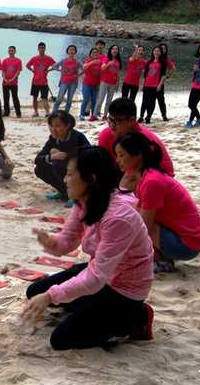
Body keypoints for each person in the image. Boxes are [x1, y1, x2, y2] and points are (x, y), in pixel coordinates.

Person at [21, 146, 155, 350]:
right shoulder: (83, 202)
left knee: (61, 339)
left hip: (124, 288)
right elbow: (67, 241)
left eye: (70, 174)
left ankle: (138, 318)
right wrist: (51, 241)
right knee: (35, 291)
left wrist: (51, 296)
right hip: (102, 275)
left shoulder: (119, 218)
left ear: (91, 179)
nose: (65, 180)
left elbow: (95, 278)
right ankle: (89, 308)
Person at [114, 132, 200, 272]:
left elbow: (143, 226)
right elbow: (122, 194)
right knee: (130, 210)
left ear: (137, 155)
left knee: (134, 219)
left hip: (186, 245)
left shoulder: (151, 181)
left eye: (121, 155)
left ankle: (159, 260)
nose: (117, 160)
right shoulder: (144, 174)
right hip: (183, 236)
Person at [98, 98, 174, 191]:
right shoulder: (106, 135)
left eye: (117, 121)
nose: (112, 125)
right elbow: (102, 168)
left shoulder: (144, 140)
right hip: (126, 173)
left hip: (155, 180)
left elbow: (164, 173)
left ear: (132, 120)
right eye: (110, 120)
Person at [34, 111, 90, 207]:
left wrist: (66, 155)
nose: (53, 129)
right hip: (65, 171)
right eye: (51, 126)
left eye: (57, 126)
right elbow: (38, 159)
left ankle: (75, 196)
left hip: (81, 172)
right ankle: (63, 191)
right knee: (39, 169)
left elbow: (89, 154)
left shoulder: (77, 137)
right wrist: (50, 157)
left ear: (67, 125)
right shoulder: (53, 139)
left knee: (57, 163)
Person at [26, 42, 56, 118]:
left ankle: (47, 112)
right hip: (35, 81)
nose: (41, 49)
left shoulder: (48, 58)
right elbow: (27, 65)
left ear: (45, 49)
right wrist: (32, 71)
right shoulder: (34, 58)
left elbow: (56, 66)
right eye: (40, 48)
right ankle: (35, 112)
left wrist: (49, 70)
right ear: (38, 49)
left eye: (43, 48)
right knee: (34, 97)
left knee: (44, 98)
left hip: (44, 82)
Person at [50, 45, 83, 113]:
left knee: (69, 100)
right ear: (67, 51)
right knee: (59, 99)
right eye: (70, 49)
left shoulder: (77, 61)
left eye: (73, 50)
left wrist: (78, 75)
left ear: (75, 52)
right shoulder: (63, 60)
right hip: (64, 82)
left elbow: (84, 68)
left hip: (73, 83)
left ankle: (66, 113)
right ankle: (53, 113)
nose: (71, 51)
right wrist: (60, 70)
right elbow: (54, 66)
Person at [138, 46, 167, 124]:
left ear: (160, 53)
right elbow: (145, 74)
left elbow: (163, 75)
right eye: (155, 51)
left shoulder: (162, 62)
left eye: (158, 51)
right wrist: (142, 84)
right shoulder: (149, 61)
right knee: (144, 102)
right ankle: (141, 116)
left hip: (155, 85)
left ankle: (148, 117)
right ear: (153, 52)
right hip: (147, 84)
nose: (156, 52)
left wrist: (160, 85)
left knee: (152, 102)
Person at [94, 45, 121, 121]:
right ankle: (94, 115)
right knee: (100, 100)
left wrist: (117, 84)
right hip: (104, 82)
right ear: (110, 50)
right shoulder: (106, 58)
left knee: (109, 101)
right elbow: (102, 68)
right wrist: (109, 64)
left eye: (116, 49)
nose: (115, 50)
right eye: (113, 49)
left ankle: (105, 115)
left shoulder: (118, 61)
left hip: (113, 84)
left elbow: (118, 73)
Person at [80, 48, 102, 121]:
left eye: (96, 52)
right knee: (86, 99)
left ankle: (93, 115)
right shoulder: (88, 61)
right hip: (87, 84)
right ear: (90, 54)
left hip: (95, 85)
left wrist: (99, 84)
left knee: (94, 100)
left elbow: (101, 74)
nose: (95, 53)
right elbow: (84, 67)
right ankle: (82, 114)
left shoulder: (100, 62)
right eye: (93, 52)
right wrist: (92, 62)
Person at [155, 43, 176, 122]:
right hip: (151, 82)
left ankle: (164, 116)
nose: (163, 50)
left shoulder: (166, 60)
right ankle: (147, 116)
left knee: (161, 100)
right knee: (150, 100)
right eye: (161, 48)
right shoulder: (155, 58)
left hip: (160, 83)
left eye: (164, 49)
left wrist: (168, 76)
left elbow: (173, 68)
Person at [1, 46, 23, 117]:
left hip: (13, 83)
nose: (11, 52)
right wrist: (4, 78)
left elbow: (18, 71)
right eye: (9, 50)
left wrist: (13, 79)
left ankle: (18, 112)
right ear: (8, 51)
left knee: (15, 97)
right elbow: (3, 71)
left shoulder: (18, 60)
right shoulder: (5, 60)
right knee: (6, 98)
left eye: (12, 50)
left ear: (15, 51)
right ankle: (6, 112)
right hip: (5, 82)